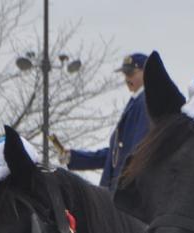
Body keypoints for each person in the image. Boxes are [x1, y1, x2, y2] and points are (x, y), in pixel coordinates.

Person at [64, 53, 150, 190]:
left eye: (131, 73)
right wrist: (74, 157)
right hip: (114, 193)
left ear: (146, 73)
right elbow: (115, 155)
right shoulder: (136, 101)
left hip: (123, 195)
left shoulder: (145, 101)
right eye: (125, 74)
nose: (127, 79)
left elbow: (137, 151)